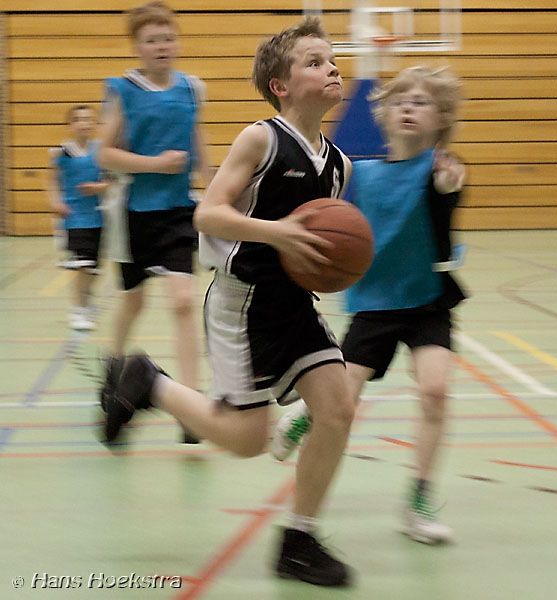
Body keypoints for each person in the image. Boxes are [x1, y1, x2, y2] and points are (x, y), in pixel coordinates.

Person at [100, 17, 355, 586]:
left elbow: (326, 246)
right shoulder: (261, 139)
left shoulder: (340, 164)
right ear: (281, 86)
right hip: (244, 303)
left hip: (295, 303)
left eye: (333, 60)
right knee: (246, 440)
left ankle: (299, 540)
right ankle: (148, 381)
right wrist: (277, 233)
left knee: (337, 409)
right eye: (314, 62)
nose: (332, 68)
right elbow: (208, 214)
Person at [271, 66, 466, 545]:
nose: (408, 108)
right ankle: (305, 416)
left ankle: (418, 502)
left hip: (427, 301)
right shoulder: (362, 172)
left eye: (421, 102)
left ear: (441, 118)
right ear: (383, 114)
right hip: (374, 305)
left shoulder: (441, 168)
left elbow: (447, 194)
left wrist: (449, 185)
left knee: (435, 391)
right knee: (343, 400)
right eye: (400, 101)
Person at [96, 1, 209, 443]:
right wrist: (155, 164)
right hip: (135, 213)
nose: (162, 45)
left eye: (168, 37)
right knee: (133, 303)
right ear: (137, 46)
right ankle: (114, 364)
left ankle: (191, 407)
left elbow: (198, 142)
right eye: (152, 40)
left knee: (183, 302)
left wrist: (213, 187)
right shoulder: (123, 90)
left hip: (179, 211)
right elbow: (105, 154)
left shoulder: (192, 88)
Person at [46, 105, 109, 331]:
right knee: (83, 265)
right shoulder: (62, 153)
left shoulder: (101, 150)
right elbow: (51, 181)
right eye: (79, 120)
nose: (84, 123)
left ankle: (85, 300)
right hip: (74, 218)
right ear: (71, 125)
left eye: (89, 119)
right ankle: (78, 311)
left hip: (99, 216)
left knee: (94, 269)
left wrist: (99, 187)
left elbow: (111, 180)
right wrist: (54, 202)